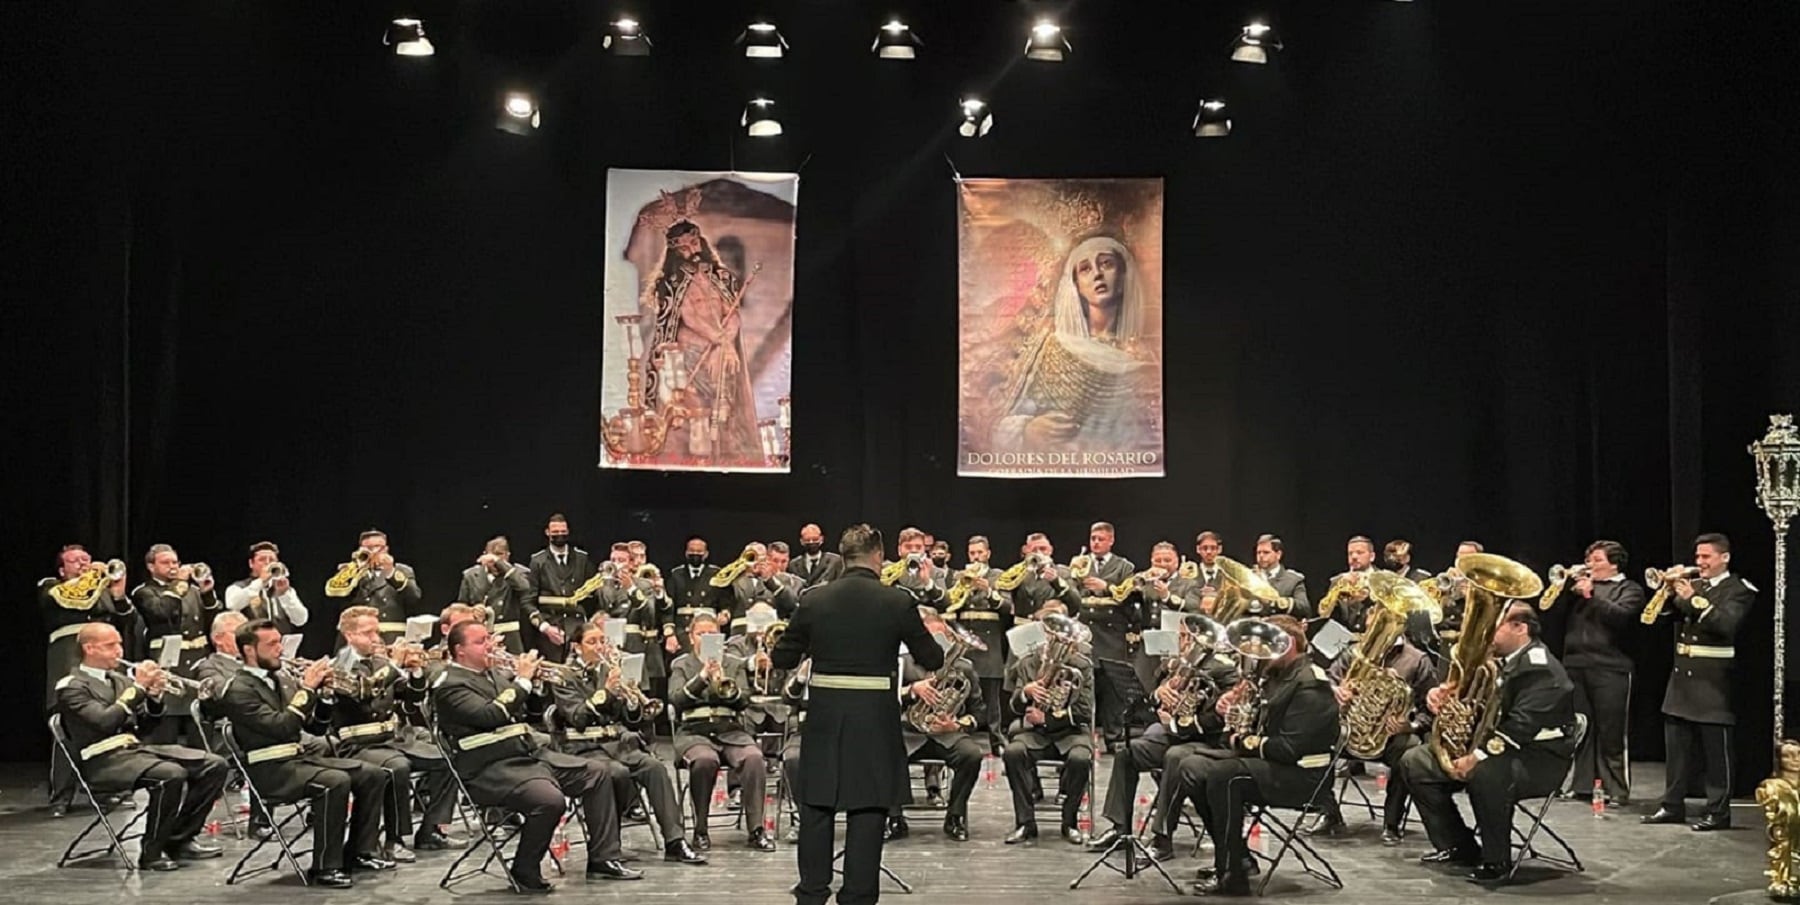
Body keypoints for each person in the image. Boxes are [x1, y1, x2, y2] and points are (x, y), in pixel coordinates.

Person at [771, 523, 943, 905]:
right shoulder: (897, 601)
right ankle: (858, 897)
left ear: (843, 555)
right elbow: (932, 658)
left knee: (817, 807)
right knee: (868, 811)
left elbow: (782, 656)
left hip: (825, 720)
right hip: (875, 723)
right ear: (878, 556)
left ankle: (812, 894)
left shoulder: (814, 600)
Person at [431, 621, 641, 890]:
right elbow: (490, 715)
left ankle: (604, 858)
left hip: (526, 757)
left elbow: (516, 703)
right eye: (481, 641)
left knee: (597, 773)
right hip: (488, 768)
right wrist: (523, 680)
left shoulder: (492, 674)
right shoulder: (450, 684)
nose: (490, 645)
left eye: (488, 638)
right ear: (459, 650)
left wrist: (535, 683)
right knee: (550, 800)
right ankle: (525, 869)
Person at [1400, 601, 1577, 884]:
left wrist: (1477, 756)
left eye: (1493, 626)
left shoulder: (1542, 669)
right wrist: (1445, 697)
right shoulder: (1500, 662)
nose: (1484, 634)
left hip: (1538, 759)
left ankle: (1497, 860)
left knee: (1486, 773)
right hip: (1497, 748)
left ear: (1520, 628)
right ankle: (1458, 846)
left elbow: (1520, 727)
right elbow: (1478, 704)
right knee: (1415, 762)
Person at [216, 619, 393, 888]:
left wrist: (323, 697)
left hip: (297, 760)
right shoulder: (238, 689)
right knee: (334, 781)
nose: (280, 649)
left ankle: (359, 851)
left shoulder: (281, 679)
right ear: (250, 650)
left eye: (280, 642)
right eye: (272, 644)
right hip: (269, 769)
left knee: (372, 774)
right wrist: (308, 689)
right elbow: (282, 727)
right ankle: (325, 866)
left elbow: (316, 728)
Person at [1177, 616, 1340, 895]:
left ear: (1287, 644)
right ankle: (1235, 855)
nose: (1258, 652)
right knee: (1191, 767)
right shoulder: (1276, 677)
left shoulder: (1310, 683)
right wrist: (1234, 711)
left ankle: (1232, 875)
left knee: (1223, 775)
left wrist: (1241, 740)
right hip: (1272, 765)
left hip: (1303, 776)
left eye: (1265, 644)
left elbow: (1289, 749)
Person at [54, 623, 227, 871]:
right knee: (170, 775)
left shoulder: (120, 680)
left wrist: (155, 699)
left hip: (133, 751)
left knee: (214, 764)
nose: (119, 651)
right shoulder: (71, 685)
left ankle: (179, 839)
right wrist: (138, 689)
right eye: (110, 646)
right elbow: (104, 722)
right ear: (89, 648)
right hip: (100, 760)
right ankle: (151, 853)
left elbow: (144, 727)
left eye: (120, 644)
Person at [549, 622, 706, 865]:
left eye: (602, 640)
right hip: (583, 747)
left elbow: (628, 718)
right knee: (617, 773)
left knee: (655, 768)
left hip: (615, 744)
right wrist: (608, 693)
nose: (600, 646)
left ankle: (675, 841)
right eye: (592, 642)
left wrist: (632, 701)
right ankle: (607, 848)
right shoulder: (563, 675)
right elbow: (578, 718)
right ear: (576, 647)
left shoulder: (607, 671)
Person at [1088, 612, 1239, 861]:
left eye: (1182, 637)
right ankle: (1120, 828)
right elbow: (1155, 696)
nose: (1179, 642)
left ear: (1195, 639)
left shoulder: (1223, 669)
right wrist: (1161, 693)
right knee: (1127, 752)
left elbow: (1219, 719)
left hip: (1206, 742)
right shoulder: (1181, 664)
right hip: (1177, 734)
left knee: (1174, 758)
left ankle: (1162, 838)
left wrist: (1181, 722)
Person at [991, 235, 1159, 455]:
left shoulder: (1144, 361)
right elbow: (998, 422)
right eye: (1085, 269)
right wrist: (1028, 430)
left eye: (1106, 263)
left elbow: (1147, 441)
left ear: (1123, 273)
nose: (1097, 273)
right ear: (1076, 285)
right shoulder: (1052, 347)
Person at [1643, 532, 1756, 832]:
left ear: (1724, 557)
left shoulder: (1739, 589)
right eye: (1697, 557)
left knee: (1716, 754)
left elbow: (1725, 624)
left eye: (1706, 557)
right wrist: (1667, 594)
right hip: (1682, 679)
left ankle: (1718, 812)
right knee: (1677, 750)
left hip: (1714, 681)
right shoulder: (1699, 586)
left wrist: (1690, 597)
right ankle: (1672, 806)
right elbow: (1660, 619)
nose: (1699, 563)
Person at [330, 606, 454, 857]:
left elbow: (412, 697)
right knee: (398, 767)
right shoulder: (339, 666)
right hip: (358, 744)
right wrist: (395, 665)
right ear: (349, 635)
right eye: (368, 633)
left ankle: (430, 830)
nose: (376, 638)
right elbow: (365, 696)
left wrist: (416, 671)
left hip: (391, 739)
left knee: (447, 759)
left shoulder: (380, 662)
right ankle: (394, 840)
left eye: (377, 631)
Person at [1314, 609, 1437, 842]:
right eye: (1371, 629)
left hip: (1391, 736)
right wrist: (1336, 691)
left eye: (1380, 630)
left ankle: (1392, 821)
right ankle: (1328, 811)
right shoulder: (1353, 653)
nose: (1372, 636)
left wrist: (1410, 725)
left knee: (1408, 752)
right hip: (1350, 729)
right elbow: (1327, 680)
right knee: (1316, 740)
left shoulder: (1417, 660)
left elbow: (1430, 709)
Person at [644, 217, 760, 464]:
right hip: (690, 355)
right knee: (696, 413)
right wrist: (718, 340)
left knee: (723, 411)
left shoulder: (719, 276)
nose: (692, 250)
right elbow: (689, 315)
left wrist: (725, 344)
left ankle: (722, 457)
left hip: (722, 351)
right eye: (684, 247)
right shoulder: (672, 283)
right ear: (675, 251)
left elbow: (732, 314)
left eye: (694, 243)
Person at [667, 613, 775, 852]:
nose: (705, 638)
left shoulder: (733, 663)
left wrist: (726, 685)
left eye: (711, 634)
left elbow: (744, 701)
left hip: (730, 730)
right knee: (705, 760)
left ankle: (757, 829)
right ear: (691, 636)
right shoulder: (681, 665)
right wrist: (703, 678)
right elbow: (676, 699)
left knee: (754, 758)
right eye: (700, 634)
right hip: (694, 732)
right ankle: (701, 829)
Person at [40, 544, 134, 816]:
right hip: (68, 660)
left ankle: (110, 790)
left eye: (86, 559)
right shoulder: (51, 586)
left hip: (102, 665)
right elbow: (70, 597)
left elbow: (127, 620)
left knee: (110, 723)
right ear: (61, 569)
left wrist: (117, 594)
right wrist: (92, 576)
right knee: (66, 731)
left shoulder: (101, 590)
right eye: (75, 561)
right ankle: (61, 796)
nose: (83, 564)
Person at [1549, 540, 1645, 805]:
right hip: (1576, 665)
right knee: (1581, 726)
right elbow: (1550, 611)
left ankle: (1616, 789)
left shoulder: (1629, 589)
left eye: (1597, 560)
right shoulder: (1577, 590)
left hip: (1611, 668)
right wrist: (1563, 588)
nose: (1590, 565)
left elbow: (1621, 618)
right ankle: (1582, 786)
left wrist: (1592, 594)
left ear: (1614, 564)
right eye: (1588, 559)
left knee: (1611, 731)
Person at [1002, 604, 1095, 846]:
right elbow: (1013, 706)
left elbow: (1085, 711)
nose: (1051, 640)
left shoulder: (1081, 665)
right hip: (1036, 734)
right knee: (1013, 752)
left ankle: (1069, 821)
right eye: (1047, 634)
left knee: (1080, 759)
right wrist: (1025, 692)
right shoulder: (1028, 663)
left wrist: (1050, 718)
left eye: (1056, 635)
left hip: (1071, 733)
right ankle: (1025, 822)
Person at [894, 607, 986, 842]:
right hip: (908, 732)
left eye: (941, 638)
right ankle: (893, 817)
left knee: (972, 755)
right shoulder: (901, 663)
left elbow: (979, 713)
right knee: (883, 752)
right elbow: (883, 699)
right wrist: (911, 690)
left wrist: (956, 725)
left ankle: (955, 816)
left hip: (946, 734)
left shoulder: (964, 668)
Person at [1071, 521, 1140, 749]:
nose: (1096, 543)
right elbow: (1072, 596)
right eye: (1093, 538)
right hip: (1086, 633)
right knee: (1083, 688)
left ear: (1111, 540)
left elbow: (1129, 597)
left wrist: (1106, 586)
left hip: (1111, 634)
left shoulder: (1124, 566)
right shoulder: (1080, 563)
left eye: (1101, 539)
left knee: (1111, 692)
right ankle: (1083, 736)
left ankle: (1113, 739)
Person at [943, 535, 1011, 751]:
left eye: (980, 553)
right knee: (960, 694)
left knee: (991, 698)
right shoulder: (958, 576)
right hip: (964, 643)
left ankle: (996, 740)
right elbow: (949, 605)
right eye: (972, 553)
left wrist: (988, 591)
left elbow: (1007, 607)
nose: (976, 557)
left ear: (988, 553)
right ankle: (959, 738)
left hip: (989, 643)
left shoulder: (998, 576)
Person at [324, 529, 423, 643]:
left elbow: (414, 598)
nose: (373, 552)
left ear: (386, 549)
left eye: (377, 547)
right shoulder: (350, 571)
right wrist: (354, 571)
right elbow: (334, 599)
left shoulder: (402, 570)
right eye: (368, 548)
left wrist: (390, 572)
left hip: (391, 638)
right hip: (356, 638)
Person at [456, 536, 544, 656]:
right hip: (479, 636)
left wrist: (500, 564)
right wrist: (473, 611)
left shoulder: (517, 574)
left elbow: (524, 588)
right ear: (484, 555)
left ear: (507, 555)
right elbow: (461, 607)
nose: (493, 559)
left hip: (509, 638)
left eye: (499, 554)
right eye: (491, 555)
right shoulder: (470, 575)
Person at [528, 513, 598, 661]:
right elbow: (528, 601)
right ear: (547, 533)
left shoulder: (582, 558)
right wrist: (545, 627)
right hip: (551, 628)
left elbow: (593, 595)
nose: (559, 535)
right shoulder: (538, 561)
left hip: (578, 628)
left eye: (563, 532)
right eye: (555, 532)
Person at [223, 541, 309, 634]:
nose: (267, 563)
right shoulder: (238, 587)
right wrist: (261, 581)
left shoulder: (283, 589)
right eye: (262, 559)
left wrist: (284, 595)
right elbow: (232, 605)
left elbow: (301, 620)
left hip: (280, 645)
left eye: (272, 560)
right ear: (251, 563)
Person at [666, 536, 727, 656]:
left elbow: (725, 601)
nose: (695, 554)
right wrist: (670, 633)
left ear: (706, 554)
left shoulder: (716, 574)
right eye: (692, 551)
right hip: (683, 630)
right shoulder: (676, 574)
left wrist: (725, 613)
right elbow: (669, 607)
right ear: (686, 553)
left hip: (709, 628)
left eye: (699, 552)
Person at [1253, 534, 1312, 619]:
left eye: (1266, 552)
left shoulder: (1293, 580)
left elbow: (1304, 608)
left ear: (1278, 554)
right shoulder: (1249, 577)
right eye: (1258, 552)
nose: (1261, 556)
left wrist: (1274, 602)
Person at [788, 523, 844, 591]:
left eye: (815, 539)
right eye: (807, 540)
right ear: (801, 541)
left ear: (821, 539)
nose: (811, 542)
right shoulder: (793, 564)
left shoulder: (834, 561)